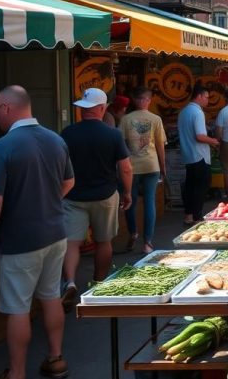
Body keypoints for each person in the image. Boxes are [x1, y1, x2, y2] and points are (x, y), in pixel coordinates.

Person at [0, 86, 74, 379]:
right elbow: (69, 181)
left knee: (18, 307)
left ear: (6, 108)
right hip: (56, 232)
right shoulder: (55, 139)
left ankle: (17, 372)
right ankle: (56, 358)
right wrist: (46, 200)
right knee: (50, 296)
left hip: (20, 238)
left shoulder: (3, 146)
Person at [60, 88, 133, 304]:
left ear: (83, 110)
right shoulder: (112, 134)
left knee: (71, 244)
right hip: (105, 194)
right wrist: (127, 192)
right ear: (102, 109)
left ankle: (70, 281)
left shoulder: (67, 133)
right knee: (104, 241)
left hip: (73, 197)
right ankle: (98, 284)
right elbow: (126, 168)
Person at [118, 87, 167, 255]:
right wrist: (163, 166)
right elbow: (160, 145)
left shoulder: (125, 119)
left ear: (134, 100)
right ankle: (147, 242)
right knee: (149, 202)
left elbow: (121, 145)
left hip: (131, 167)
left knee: (129, 201)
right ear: (148, 100)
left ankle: (133, 233)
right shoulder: (156, 119)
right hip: (151, 165)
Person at [179, 85, 218, 225]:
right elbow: (200, 136)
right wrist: (213, 141)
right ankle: (197, 217)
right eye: (206, 97)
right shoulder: (197, 112)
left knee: (190, 186)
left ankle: (188, 215)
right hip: (199, 156)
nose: (207, 100)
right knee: (201, 187)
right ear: (199, 96)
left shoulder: (183, 111)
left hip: (188, 155)